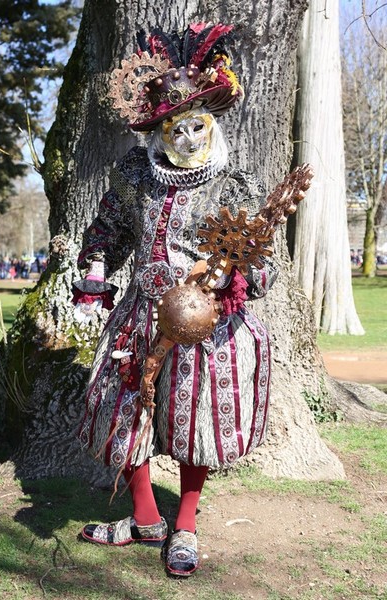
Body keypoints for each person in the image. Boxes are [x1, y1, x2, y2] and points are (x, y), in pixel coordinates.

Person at [72, 23, 278, 577]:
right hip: (139, 312)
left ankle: (185, 523)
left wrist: (234, 278)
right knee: (124, 408)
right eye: (174, 127)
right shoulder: (138, 172)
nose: (186, 138)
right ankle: (146, 519)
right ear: (159, 129)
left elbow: (264, 264)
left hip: (203, 322)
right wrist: (95, 272)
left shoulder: (235, 183)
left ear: (210, 122)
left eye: (196, 126)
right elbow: (108, 228)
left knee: (195, 418)